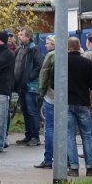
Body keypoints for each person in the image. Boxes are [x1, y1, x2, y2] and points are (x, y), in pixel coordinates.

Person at [64, 37, 92, 176]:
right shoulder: (87, 63)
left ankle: (73, 168)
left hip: (66, 103)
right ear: (79, 47)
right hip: (83, 103)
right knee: (87, 135)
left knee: (70, 136)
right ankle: (90, 168)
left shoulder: (62, 62)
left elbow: (53, 84)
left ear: (68, 47)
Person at [14, 28, 43, 146]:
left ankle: (35, 137)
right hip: (22, 86)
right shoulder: (21, 49)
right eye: (19, 35)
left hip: (30, 86)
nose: (19, 37)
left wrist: (28, 78)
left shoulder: (33, 49)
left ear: (28, 37)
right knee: (25, 111)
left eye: (22, 35)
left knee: (32, 112)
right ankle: (28, 135)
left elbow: (39, 65)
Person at [35, 35, 56, 169]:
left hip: (51, 95)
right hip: (68, 97)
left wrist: (41, 92)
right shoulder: (68, 54)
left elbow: (44, 75)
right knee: (66, 129)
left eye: (48, 43)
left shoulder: (50, 56)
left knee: (49, 128)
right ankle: (66, 159)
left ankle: (48, 159)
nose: (46, 45)